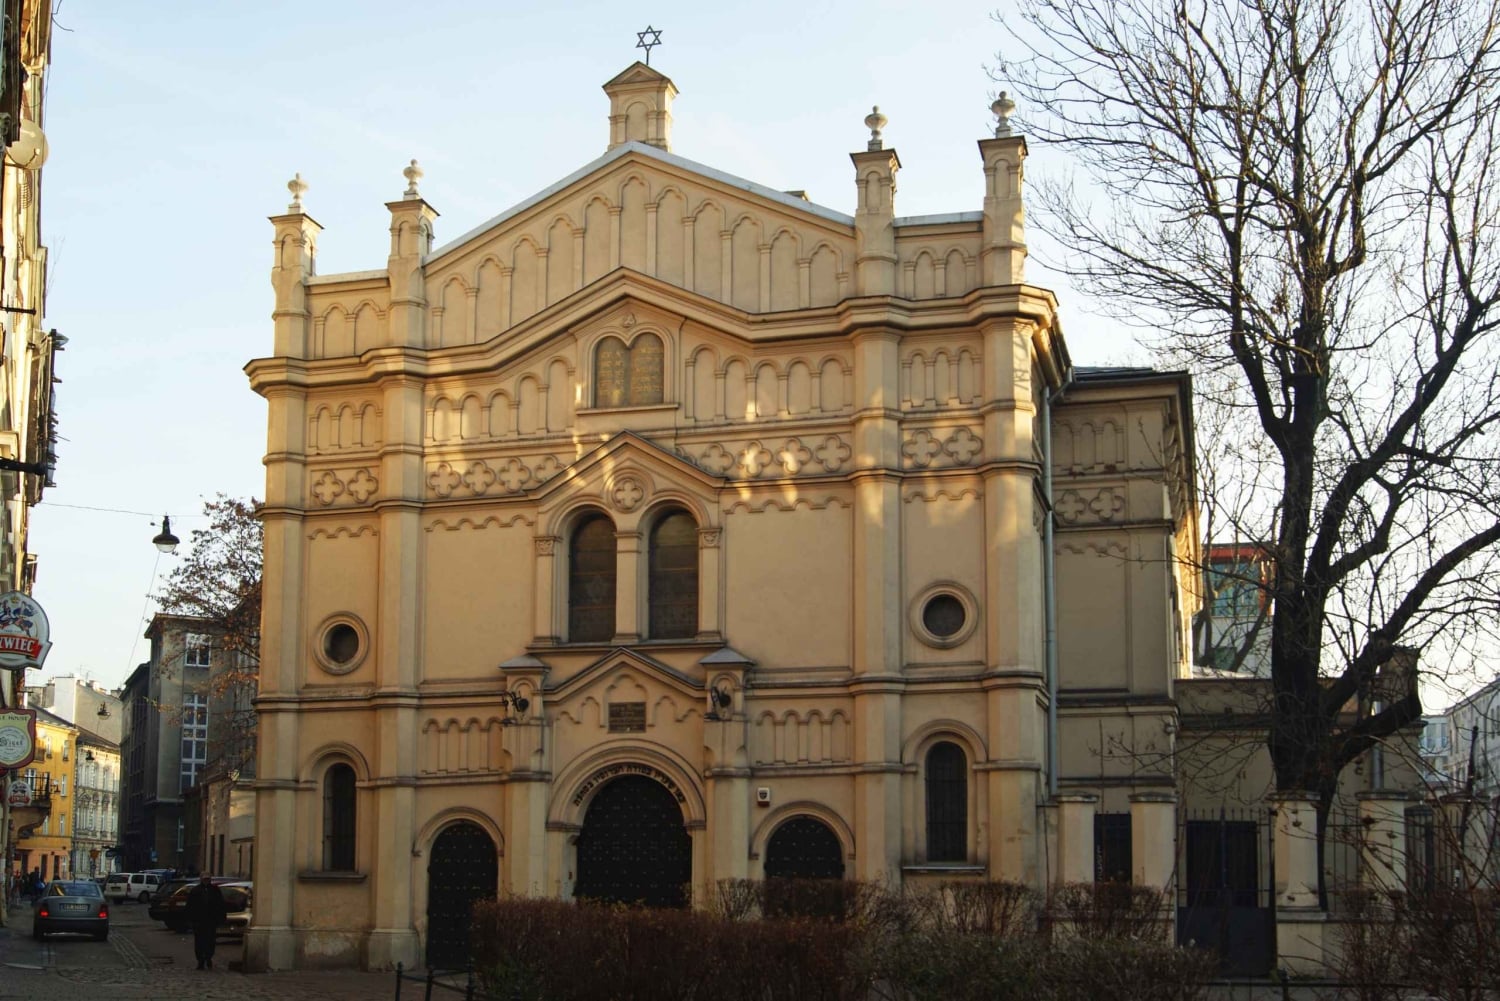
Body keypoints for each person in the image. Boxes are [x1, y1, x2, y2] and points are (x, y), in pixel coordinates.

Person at [184, 874, 227, 970]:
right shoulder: (195, 891)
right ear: (201, 879)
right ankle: (200, 960)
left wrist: (221, 918)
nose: (206, 881)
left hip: (211, 921)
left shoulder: (215, 890)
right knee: (199, 942)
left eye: (208, 879)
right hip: (199, 921)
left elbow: (220, 905)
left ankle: (208, 957)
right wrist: (190, 920)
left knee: (210, 941)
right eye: (204, 879)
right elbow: (190, 906)